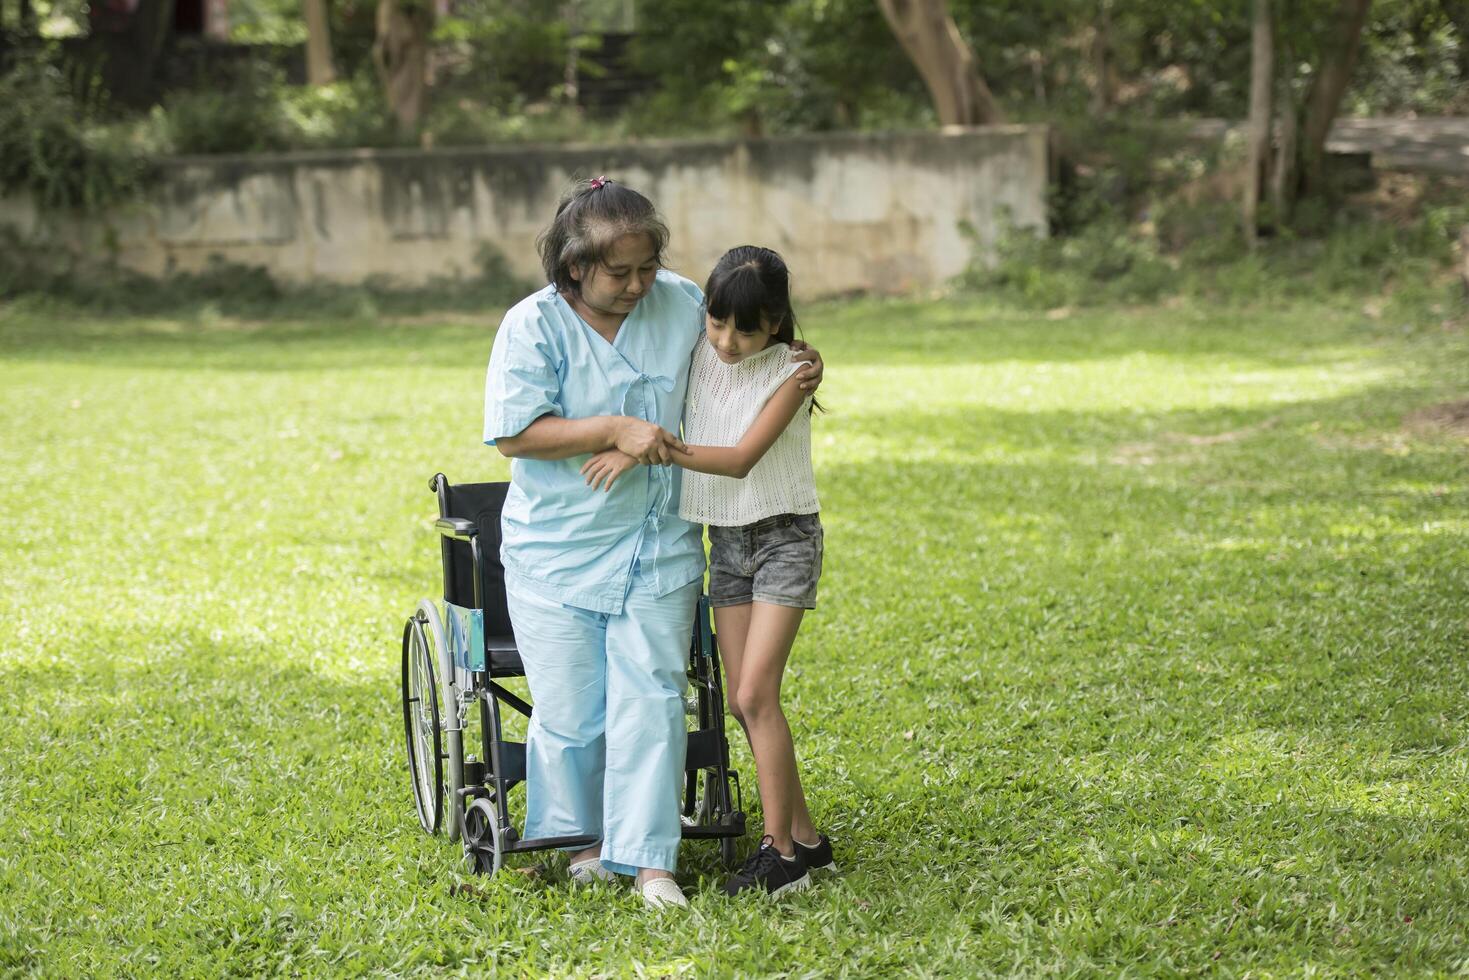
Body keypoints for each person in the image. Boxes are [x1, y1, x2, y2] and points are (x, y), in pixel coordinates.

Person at [484, 181, 822, 909]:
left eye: (646, 266)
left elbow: (750, 348)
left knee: (652, 698)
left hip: (659, 539)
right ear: (574, 266)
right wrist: (612, 427)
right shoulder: (530, 326)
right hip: (558, 547)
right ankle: (586, 844)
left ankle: (649, 862)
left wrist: (803, 359)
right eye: (620, 273)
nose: (639, 284)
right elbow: (514, 433)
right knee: (572, 710)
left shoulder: (676, 303)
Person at [580, 245, 833, 899]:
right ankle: (806, 841)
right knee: (749, 707)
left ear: (775, 324)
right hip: (726, 544)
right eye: (717, 323)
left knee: (753, 696)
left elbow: (742, 458)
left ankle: (781, 856)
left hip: (783, 540)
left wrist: (649, 451)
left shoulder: (790, 373)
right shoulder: (700, 347)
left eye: (744, 329)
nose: (726, 339)